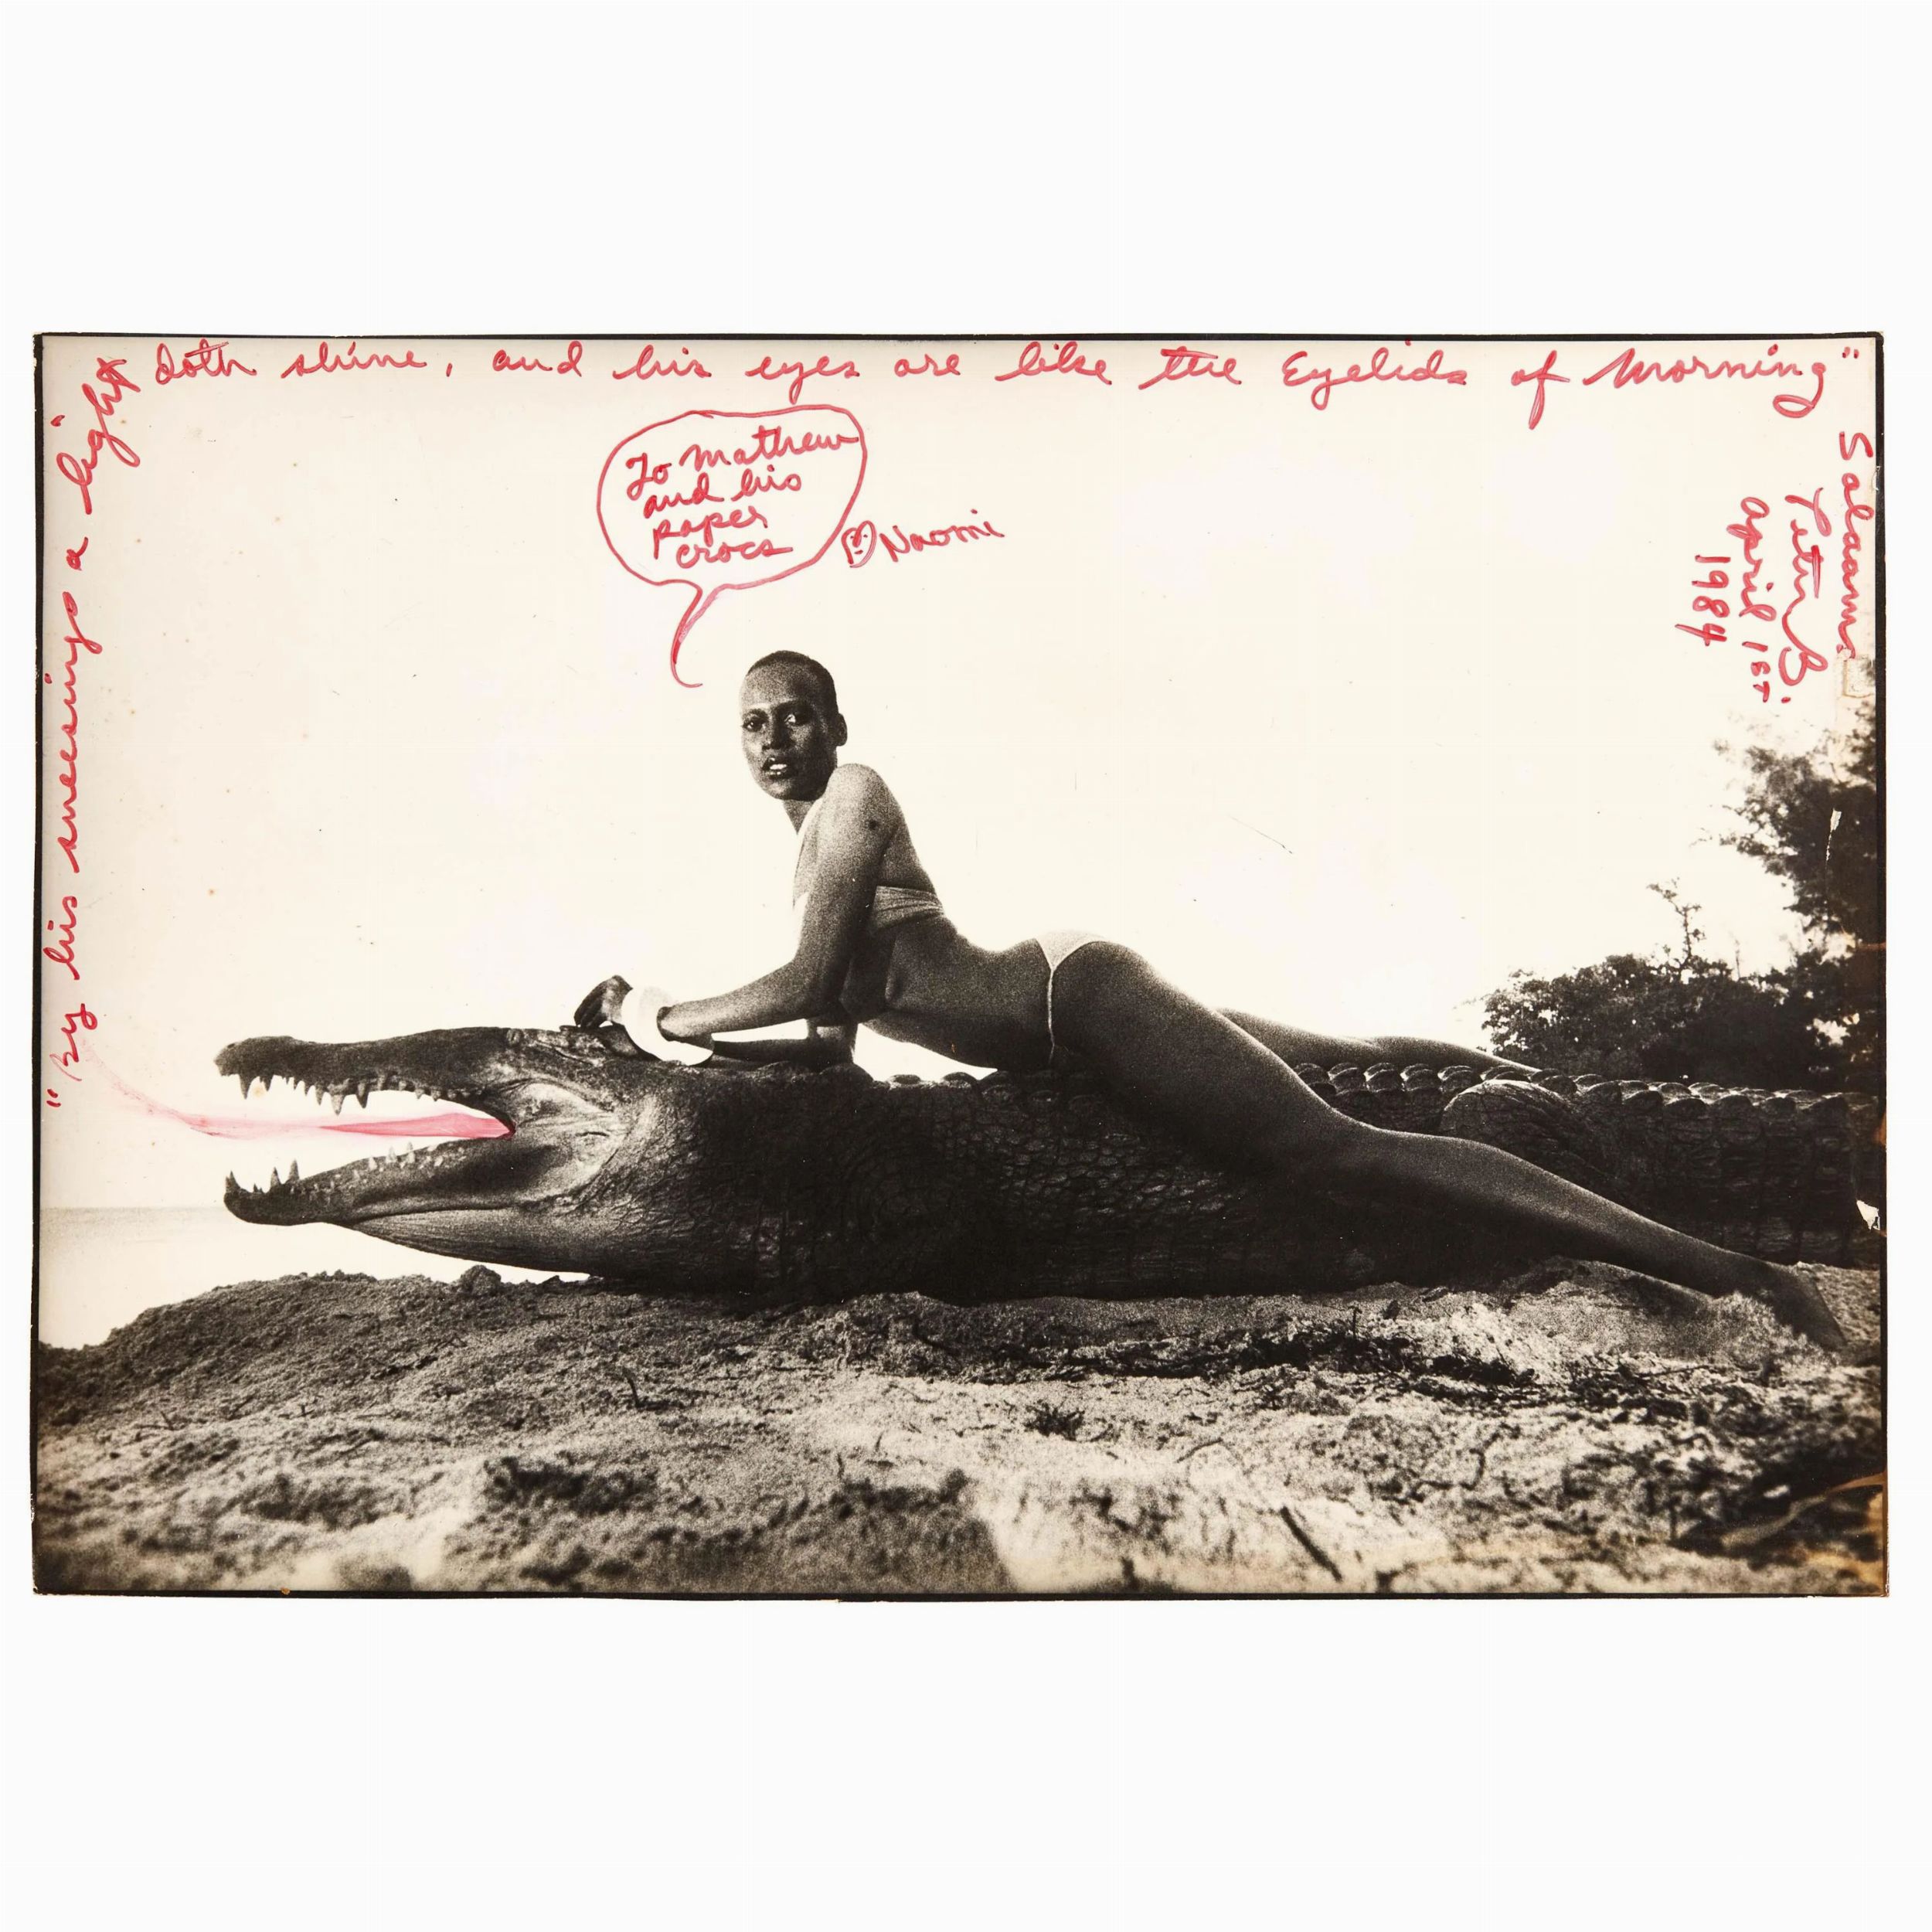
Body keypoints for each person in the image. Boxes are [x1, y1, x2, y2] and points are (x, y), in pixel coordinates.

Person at [574, 651, 1849, 1350]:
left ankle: (1736, 1272)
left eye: (797, 715)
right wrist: (689, 1062)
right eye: (755, 724)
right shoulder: (804, 853)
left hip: (1075, 998)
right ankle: (1529, 1080)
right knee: (1354, 1051)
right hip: (1069, 1026)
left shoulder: (855, 799)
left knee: (1334, 1143)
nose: (777, 738)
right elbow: (826, 1045)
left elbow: (804, 982)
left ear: (837, 725)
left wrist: (661, 1016)